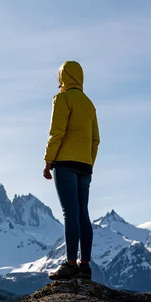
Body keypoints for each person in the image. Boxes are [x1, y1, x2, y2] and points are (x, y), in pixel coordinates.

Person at [43, 61, 100, 280]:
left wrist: (49, 161)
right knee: (83, 212)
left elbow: (56, 132)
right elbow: (96, 140)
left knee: (70, 213)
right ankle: (85, 265)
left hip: (65, 162)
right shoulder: (89, 104)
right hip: (85, 165)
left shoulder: (62, 99)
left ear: (62, 77)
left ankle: (70, 264)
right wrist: (89, 163)